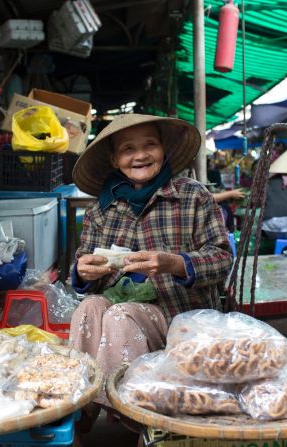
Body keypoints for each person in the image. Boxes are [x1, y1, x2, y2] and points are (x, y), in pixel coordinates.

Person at [69, 114, 233, 410]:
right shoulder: (100, 210)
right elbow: (84, 265)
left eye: (150, 145)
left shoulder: (193, 197)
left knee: (121, 315)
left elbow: (222, 260)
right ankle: (81, 405)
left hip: (180, 318)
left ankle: (130, 408)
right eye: (128, 149)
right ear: (114, 159)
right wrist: (83, 270)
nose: (141, 155)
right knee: (88, 307)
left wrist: (175, 263)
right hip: (115, 314)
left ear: (163, 150)